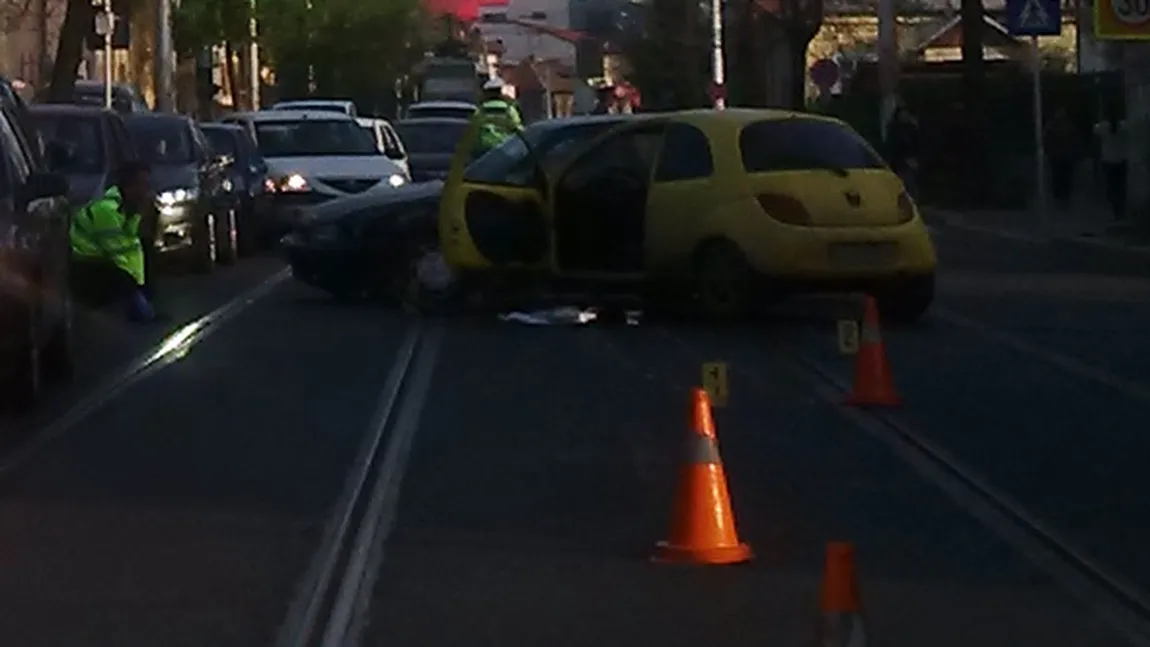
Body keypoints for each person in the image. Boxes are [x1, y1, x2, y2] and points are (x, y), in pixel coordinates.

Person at [69, 161, 161, 323]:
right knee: (121, 277)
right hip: (84, 265)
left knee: (145, 251)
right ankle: (139, 312)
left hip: (100, 261)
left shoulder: (126, 208)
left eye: (147, 185)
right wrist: (136, 286)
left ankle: (142, 306)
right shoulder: (106, 210)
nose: (146, 191)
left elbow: (133, 245)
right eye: (142, 185)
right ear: (128, 186)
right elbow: (118, 253)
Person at [472, 77, 524, 156]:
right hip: (505, 147)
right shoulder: (508, 109)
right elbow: (516, 127)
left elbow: (475, 129)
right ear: (500, 92)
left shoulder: (481, 110)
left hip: (485, 148)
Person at [1093, 106, 1127, 221]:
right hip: (1121, 160)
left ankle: (1115, 209)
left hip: (1108, 160)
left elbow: (1095, 130)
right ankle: (1120, 210)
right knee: (1120, 186)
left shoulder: (1102, 127)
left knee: (1111, 186)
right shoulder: (1123, 126)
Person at [1045, 108, 1079, 209]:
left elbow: (1074, 139)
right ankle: (1060, 198)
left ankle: (1064, 198)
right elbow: (1046, 137)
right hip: (1057, 155)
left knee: (1065, 177)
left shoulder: (1068, 125)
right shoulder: (1052, 125)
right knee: (1058, 177)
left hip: (1064, 155)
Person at [884, 104, 920, 198]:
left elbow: (916, 143)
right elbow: (892, 146)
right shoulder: (894, 128)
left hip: (909, 161)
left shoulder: (910, 128)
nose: (904, 116)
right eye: (902, 114)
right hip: (899, 162)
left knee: (910, 185)